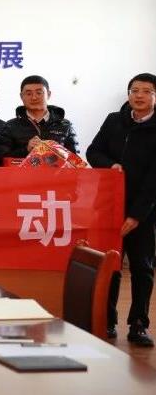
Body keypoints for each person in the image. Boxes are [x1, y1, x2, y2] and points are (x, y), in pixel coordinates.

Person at [87, 72, 156, 347]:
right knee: (110, 266)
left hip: (144, 211)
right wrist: (110, 165)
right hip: (109, 206)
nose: (139, 96)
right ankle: (107, 319)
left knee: (142, 268)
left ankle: (138, 324)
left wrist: (137, 215)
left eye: (147, 91)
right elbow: (93, 151)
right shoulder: (114, 120)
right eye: (135, 90)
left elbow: (154, 179)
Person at [0, 75, 78, 159]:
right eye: (29, 94)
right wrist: (26, 150)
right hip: (23, 168)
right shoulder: (10, 126)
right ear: (21, 96)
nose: (34, 97)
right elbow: (1, 158)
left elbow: (76, 160)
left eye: (39, 93)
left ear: (49, 94)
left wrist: (61, 154)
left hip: (58, 168)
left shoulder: (65, 125)